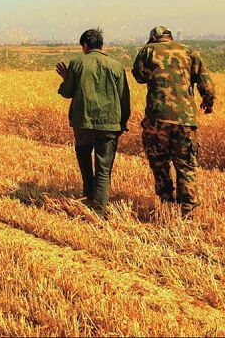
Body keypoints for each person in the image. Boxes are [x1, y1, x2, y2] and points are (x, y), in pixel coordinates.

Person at [131, 25, 215, 217]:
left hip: (157, 119)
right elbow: (206, 83)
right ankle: (188, 211)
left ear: (153, 38)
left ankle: (166, 207)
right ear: (170, 37)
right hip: (185, 120)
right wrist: (208, 102)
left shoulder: (148, 51)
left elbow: (139, 76)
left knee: (159, 164)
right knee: (186, 165)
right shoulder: (189, 51)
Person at [56, 28, 131, 217]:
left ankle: (88, 195)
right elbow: (124, 99)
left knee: (83, 156)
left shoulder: (77, 63)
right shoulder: (116, 66)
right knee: (103, 168)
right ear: (101, 45)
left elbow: (67, 93)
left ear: (85, 45)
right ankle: (98, 210)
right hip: (109, 124)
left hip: (82, 122)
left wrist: (66, 80)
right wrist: (121, 123)